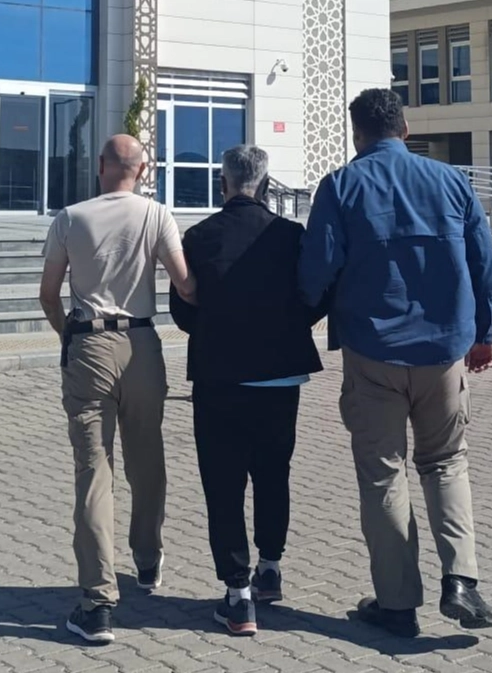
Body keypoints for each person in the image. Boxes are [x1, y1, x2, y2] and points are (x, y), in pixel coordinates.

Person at [297, 88, 492, 638]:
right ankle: (461, 581)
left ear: (357, 134)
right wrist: (484, 334)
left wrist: (302, 313)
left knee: (384, 473)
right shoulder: (452, 181)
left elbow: (316, 268)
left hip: (373, 352)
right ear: (406, 128)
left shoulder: (341, 185)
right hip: (444, 352)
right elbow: (484, 264)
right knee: (447, 462)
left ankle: (397, 604)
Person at [39, 134, 197, 644]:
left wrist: (67, 334)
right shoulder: (156, 215)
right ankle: (147, 560)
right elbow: (185, 283)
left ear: (101, 165)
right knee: (147, 461)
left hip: (89, 343)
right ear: (143, 170)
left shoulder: (70, 217)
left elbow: (48, 293)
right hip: (143, 344)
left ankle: (98, 601)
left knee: (94, 471)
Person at [169, 145, 326, 637]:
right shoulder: (291, 236)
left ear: (223, 184)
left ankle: (238, 597)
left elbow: (182, 310)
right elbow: (316, 293)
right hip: (280, 377)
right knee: (273, 474)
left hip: (219, 377)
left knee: (223, 483)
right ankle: (271, 568)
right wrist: (289, 326)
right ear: (265, 184)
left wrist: (216, 326)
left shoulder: (199, 236)